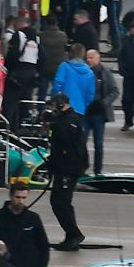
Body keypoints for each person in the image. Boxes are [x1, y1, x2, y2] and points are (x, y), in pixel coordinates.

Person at [47, 92, 89, 251]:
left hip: (68, 169)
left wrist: (55, 124)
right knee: (59, 202)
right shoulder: (67, 120)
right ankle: (71, 234)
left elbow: (69, 146)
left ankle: (74, 233)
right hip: (63, 168)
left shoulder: (69, 121)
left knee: (61, 202)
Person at [0, 182, 50, 267]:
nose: (21, 201)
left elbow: (43, 245)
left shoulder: (33, 218)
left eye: (24, 198)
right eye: (18, 197)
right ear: (11, 196)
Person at [83, 47, 118, 172]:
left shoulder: (105, 72)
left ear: (98, 58)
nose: (88, 60)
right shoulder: (84, 71)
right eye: (87, 57)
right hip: (86, 113)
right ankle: (82, 166)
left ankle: (98, 170)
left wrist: (104, 103)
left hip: (99, 114)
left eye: (91, 57)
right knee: (81, 141)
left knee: (98, 144)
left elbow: (114, 91)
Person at [51, 42, 95, 118]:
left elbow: (57, 85)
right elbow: (90, 94)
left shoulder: (64, 66)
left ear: (70, 53)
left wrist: (54, 100)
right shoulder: (90, 72)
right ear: (83, 55)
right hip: (80, 109)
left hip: (64, 108)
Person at [36, 18, 69, 100]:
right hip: (58, 67)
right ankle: (55, 107)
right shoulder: (63, 35)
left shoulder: (40, 36)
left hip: (44, 67)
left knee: (42, 91)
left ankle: (41, 108)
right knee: (56, 89)